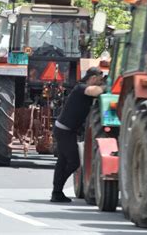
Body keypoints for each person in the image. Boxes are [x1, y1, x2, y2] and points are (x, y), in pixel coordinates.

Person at [51, 67, 105, 202]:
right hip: (64, 131)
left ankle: (56, 192)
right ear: (92, 78)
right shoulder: (80, 88)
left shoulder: (82, 88)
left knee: (62, 162)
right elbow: (96, 91)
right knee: (74, 162)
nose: (99, 83)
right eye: (98, 80)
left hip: (65, 130)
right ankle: (57, 191)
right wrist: (108, 86)